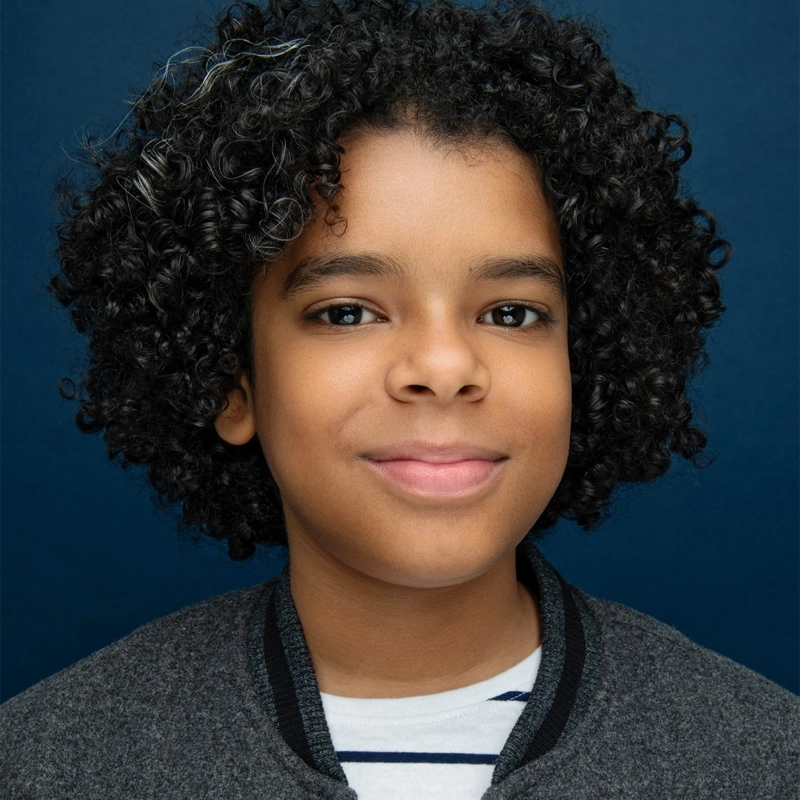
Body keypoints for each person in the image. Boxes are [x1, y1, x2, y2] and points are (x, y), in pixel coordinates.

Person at [1, 0, 797, 797]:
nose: (445, 367)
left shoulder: (764, 760)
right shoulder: (48, 764)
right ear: (232, 380)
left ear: (583, 362)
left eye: (511, 313)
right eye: (348, 312)